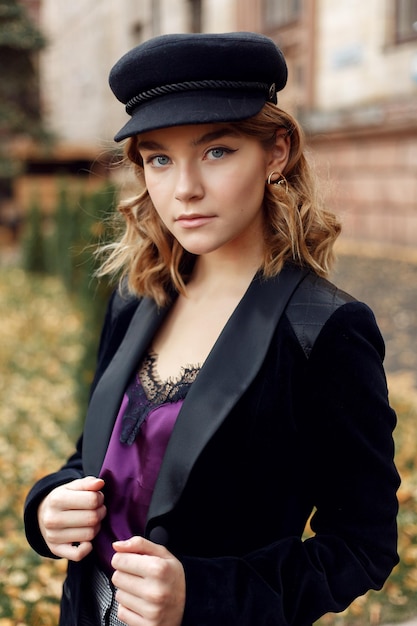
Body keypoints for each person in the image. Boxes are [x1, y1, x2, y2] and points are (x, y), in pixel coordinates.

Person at [24, 32, 400, 626]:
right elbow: (99, 455)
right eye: (159, 159)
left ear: (277, 152)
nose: (185, 189)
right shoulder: (138, 293)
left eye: (217, 151)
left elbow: (363, 545)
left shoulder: (325, 329)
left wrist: (203, 594)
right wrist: (49, 504)